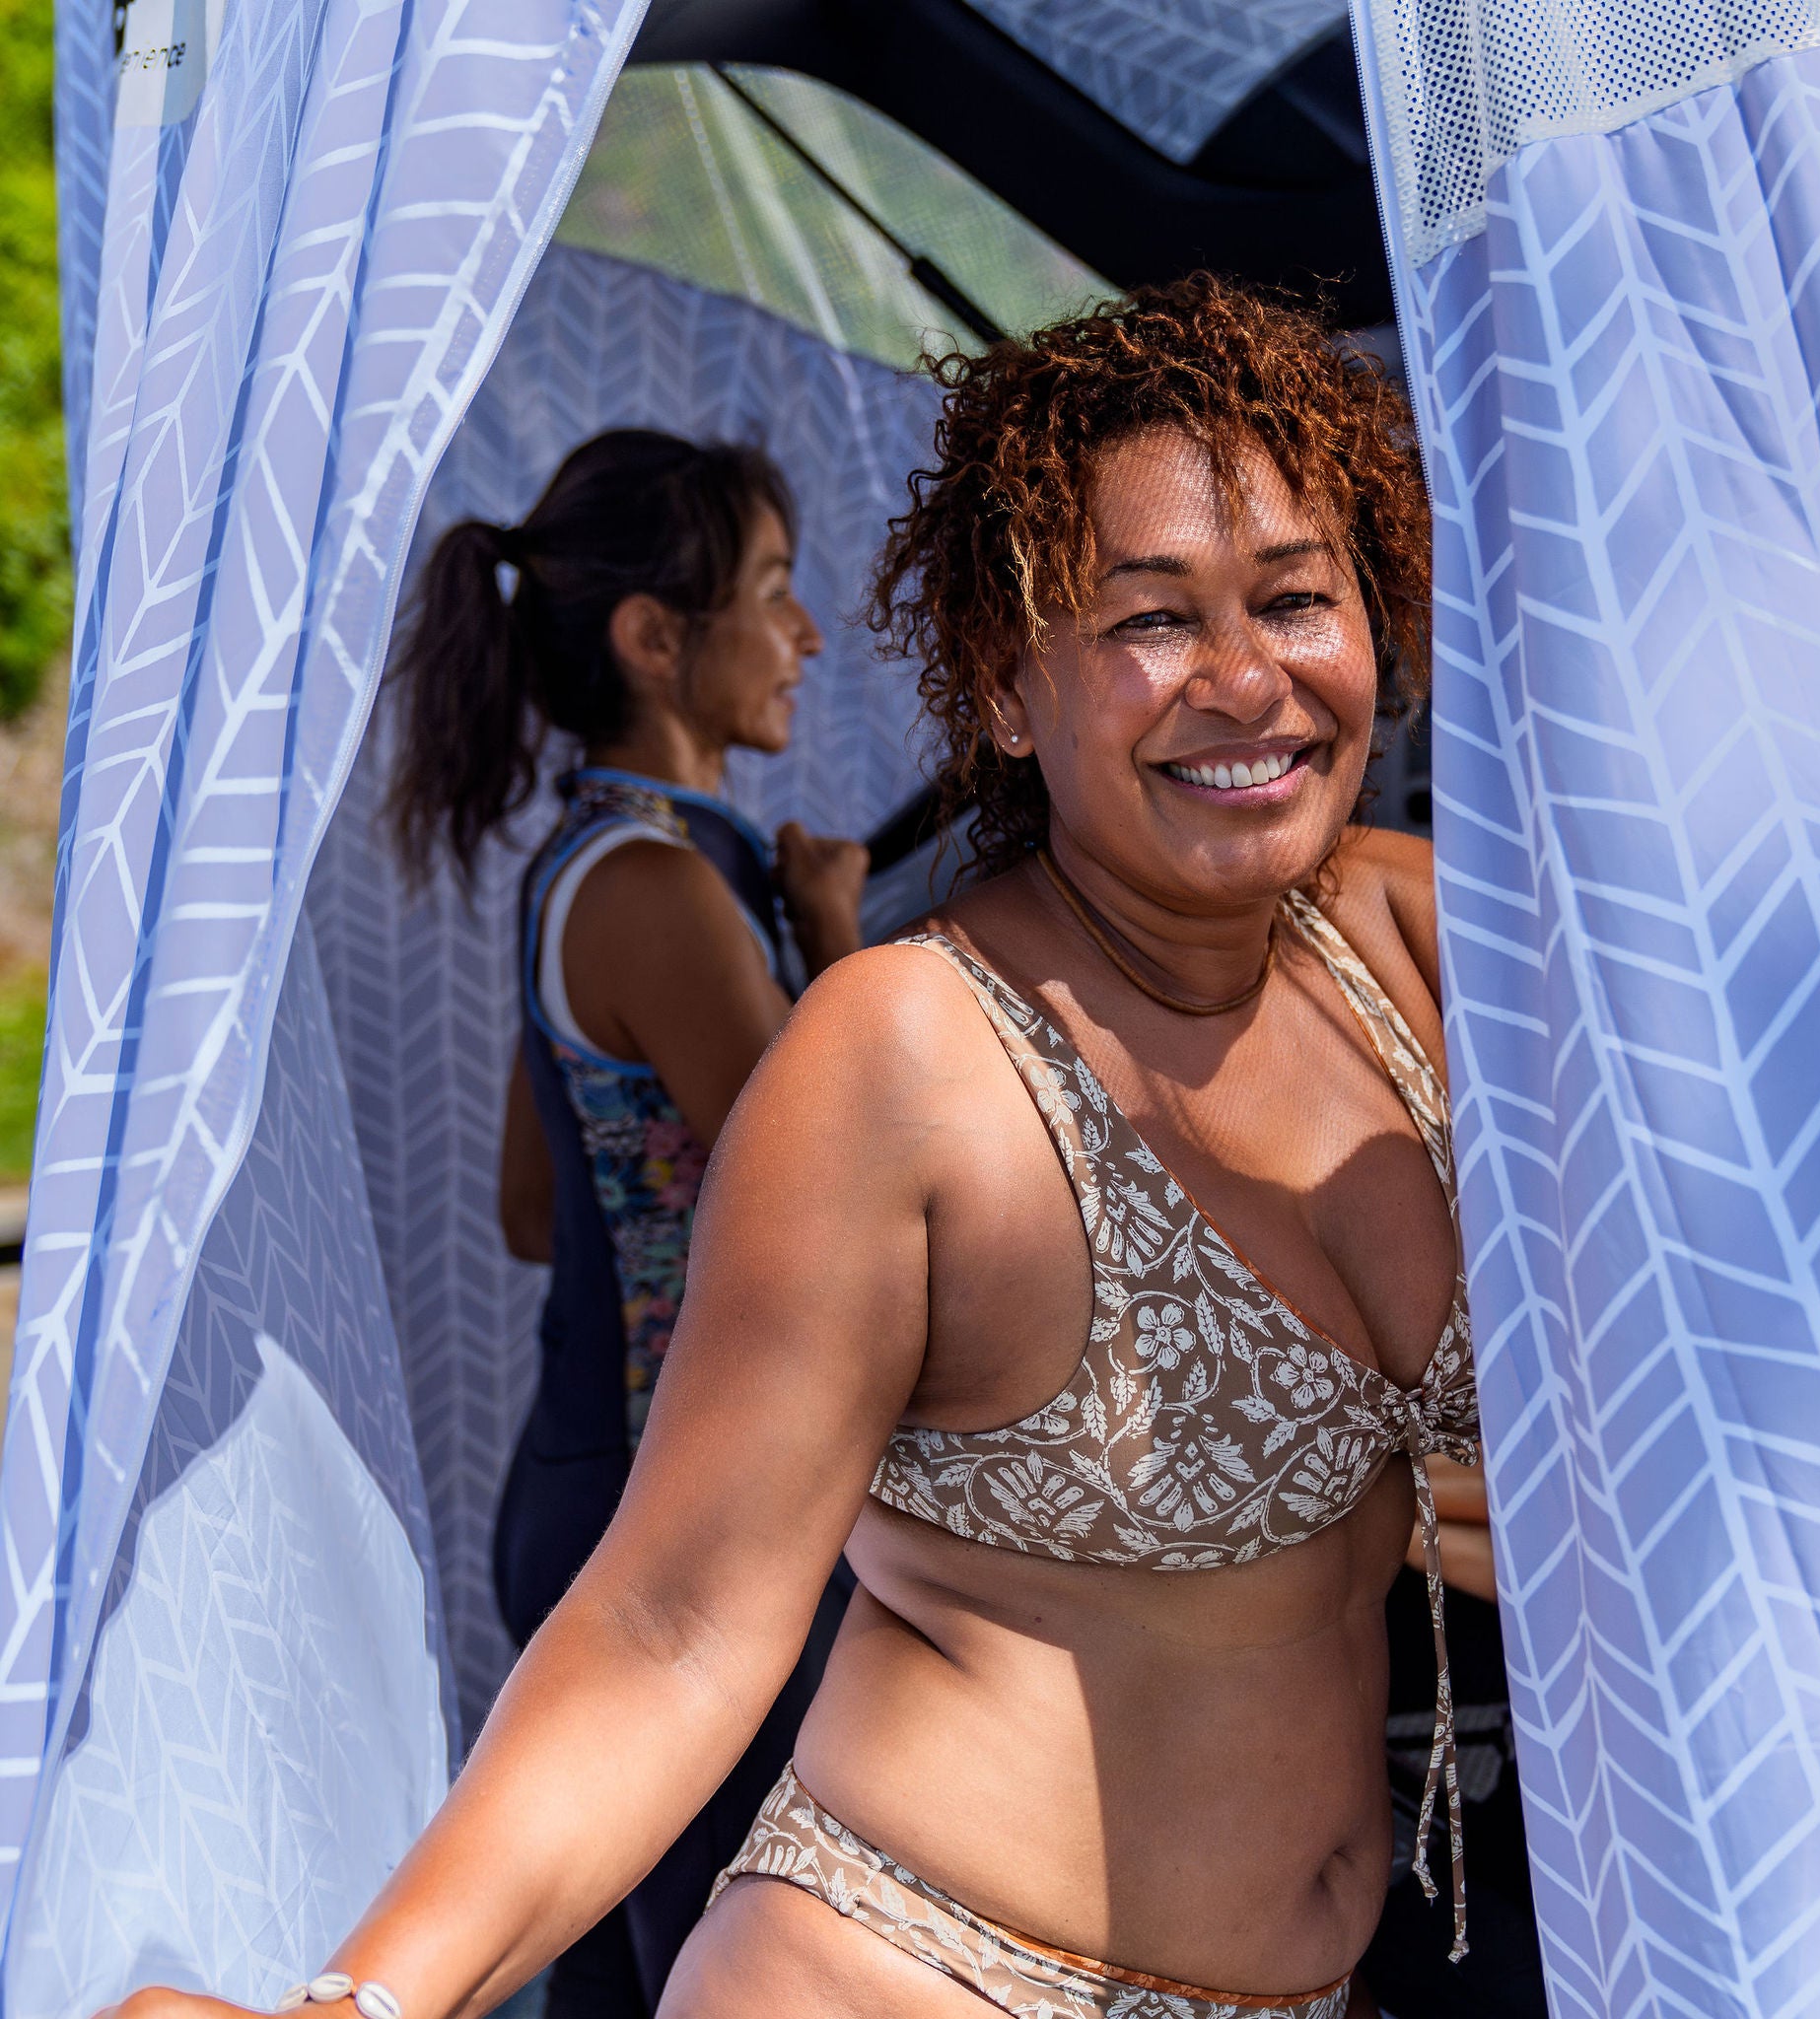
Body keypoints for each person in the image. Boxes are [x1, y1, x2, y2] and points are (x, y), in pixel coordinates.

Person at [113, 274, 1481, 2019]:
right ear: (1004, 684)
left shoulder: (1425, 954)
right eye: (1149, 621)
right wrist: (360, 2004)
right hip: (908, 1977)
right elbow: (673, 1624)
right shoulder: (903, 1053)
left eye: (1297, 597)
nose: (1242, 679)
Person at [385, 430, 868, 2014]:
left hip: (583, 1492)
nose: (807, 638)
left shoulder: (578, 871)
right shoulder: (664, 891)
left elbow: (538, 1212)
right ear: (655, 640)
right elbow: (832, 1190)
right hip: (668, 1536)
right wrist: (839, 943)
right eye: (778, 594)